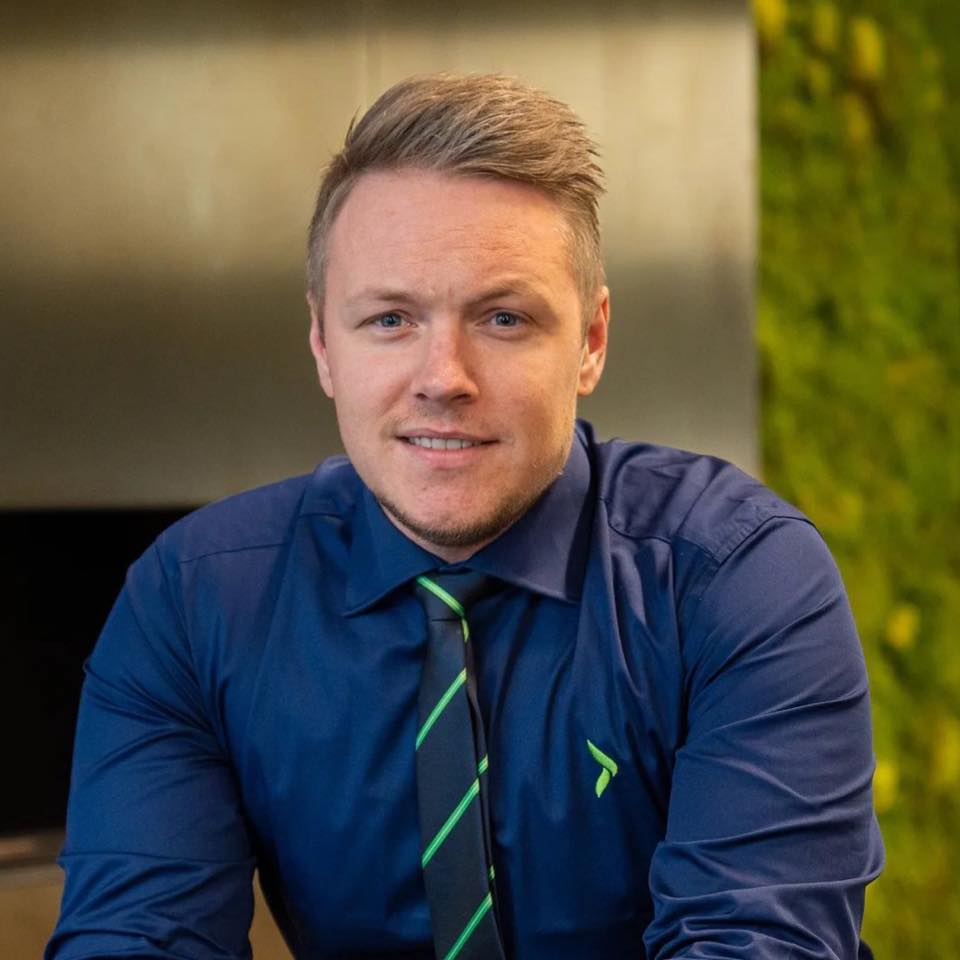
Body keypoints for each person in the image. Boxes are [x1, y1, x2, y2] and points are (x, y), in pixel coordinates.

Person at [46, 73, 883, 960]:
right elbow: (134, 941)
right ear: (324, 345)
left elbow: (755, 943)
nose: (443, 377)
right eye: (390, 319)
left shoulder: (735, 578)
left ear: (592, 340)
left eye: (504, 318)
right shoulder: (193, 603)